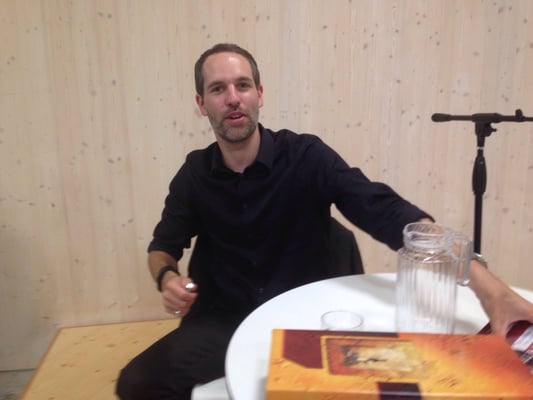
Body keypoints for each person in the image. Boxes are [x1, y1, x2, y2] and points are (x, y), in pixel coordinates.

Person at [116, 43, 533, 400]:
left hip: (305, 319)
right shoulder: (194, 174)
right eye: (217, 88)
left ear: (259, 94)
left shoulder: (306, 156)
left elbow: (387, 212)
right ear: (201, 103)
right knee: (135, 383)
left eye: (242, 85)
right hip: (224, 320)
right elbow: (161, 248)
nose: (232, 98)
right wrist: (166, 277)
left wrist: (490, 289)